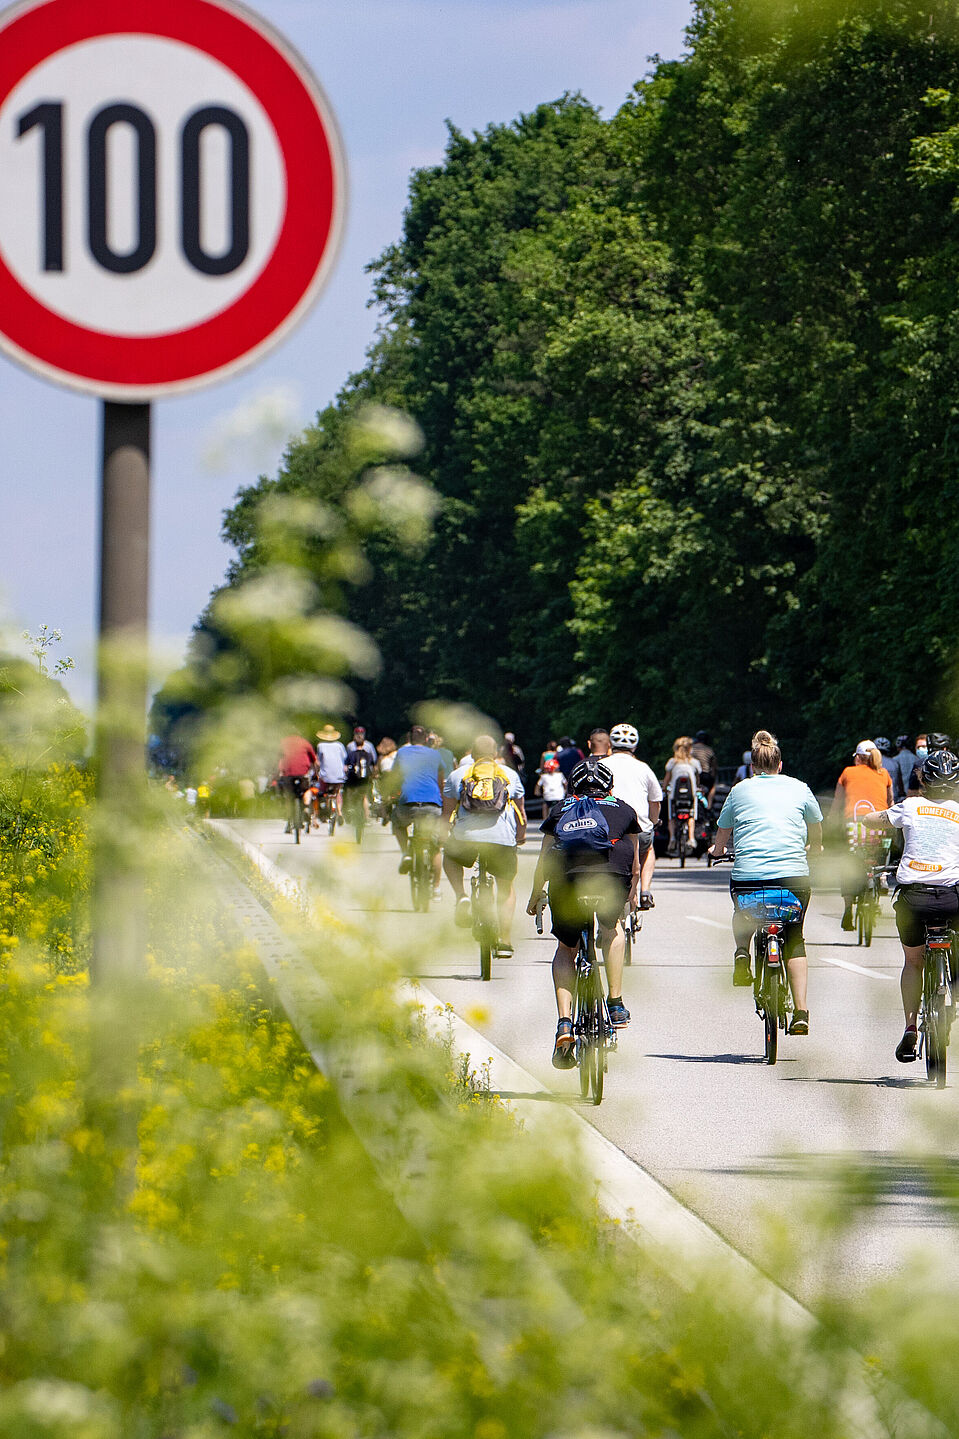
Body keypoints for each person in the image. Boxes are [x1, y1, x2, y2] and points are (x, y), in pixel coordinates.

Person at [526, 758, 640, 1068]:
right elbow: (635, 863)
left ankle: (564, 1024)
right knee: (613, 930)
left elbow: (545, 859)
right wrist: (629, 897)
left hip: (568, 881)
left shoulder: (561, 810)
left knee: (566, 948)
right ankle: (615, 1003)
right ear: (610, 787)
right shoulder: (625, 810)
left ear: (572, 787)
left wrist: (537, 894)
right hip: (611, 879)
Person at [708, 729, 823, 1032]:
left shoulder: (740, 790)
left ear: (753, 767)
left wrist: (718, 850)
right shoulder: (799, 788)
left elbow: (723, 832)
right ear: (780, 764)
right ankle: (801, 1013)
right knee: (795, 939)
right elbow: (815, 826)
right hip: (793, 879)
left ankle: (743, 952)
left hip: (749, 880)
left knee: (741, 912)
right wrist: (817, 848)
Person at [862, 749, 959, 1062]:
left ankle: (911, 1027)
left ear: (924, 779)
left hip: (914, 899)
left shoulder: (911, 806)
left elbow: (873, 820)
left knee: (913, 962)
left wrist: (867, 817)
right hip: (952, 899)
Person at [443, 735, 527, 954]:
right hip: (501, 840)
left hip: (465, 838)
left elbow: (446, 814)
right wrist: (520, 835)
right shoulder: (509, 774)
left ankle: (461, 896)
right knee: (506, 888)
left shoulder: (457, 775)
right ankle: (505, 942)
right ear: (496, 753)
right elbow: (521, 814)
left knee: (450, 856)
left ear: (472, 753)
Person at [832, 740, 893, 930]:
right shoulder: (884, 774)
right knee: (884, 846)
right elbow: (890, 802)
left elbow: (837, 803)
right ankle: (882, 875)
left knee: (848, 864)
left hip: (854, 827)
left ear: (858, 757)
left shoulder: (848, 772)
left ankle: (848, 908)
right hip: (879, 826)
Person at [606, 722, 663, 909]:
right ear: (635, 746)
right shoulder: (643, 768)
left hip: (609, 831)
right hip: (639, 830)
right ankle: (645, 891)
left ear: (610, 745)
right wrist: (653, 822)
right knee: (648, 848)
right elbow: (655, 800)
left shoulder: (601, 765)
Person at [391, 724, 446, 895]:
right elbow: (441, 781)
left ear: (410, 738)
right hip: (432, 804)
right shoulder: (435, 754)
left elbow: (395, 777)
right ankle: (436, 887)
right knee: (435, 847)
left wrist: (393, 794)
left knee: (398, 824)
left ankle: (406, 853)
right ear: (427, 739)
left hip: (409, 802)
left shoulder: (402, 752)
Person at [663, 737, 701, 855]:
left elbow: (667, 780)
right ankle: (691, 838)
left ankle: (672, 838)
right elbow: (697, 779)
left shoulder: (672, 762)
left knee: (672, 816)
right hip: (690, 795)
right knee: (691, 815)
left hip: (675, 795)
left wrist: (664, 788)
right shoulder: (694, 763)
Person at [278, 733, 317, 832]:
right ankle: (306, 807)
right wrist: (316, 774)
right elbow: (314, 760)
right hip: (302, 774)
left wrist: (280, 772)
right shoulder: (305, 742)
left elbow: (279, 757)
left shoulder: (283, 742)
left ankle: (288, 822)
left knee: (289, 797)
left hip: (288, 774)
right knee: (307, 790)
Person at [315, 724, 348, 820]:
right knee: (338, 792)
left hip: (326, 776)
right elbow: (344, 759)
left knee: (322, 791)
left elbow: (318, 762)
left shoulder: (320, 745)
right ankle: (340, 812)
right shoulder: (340, 745)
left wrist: (317, 772)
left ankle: (325, 809)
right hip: (339, 776)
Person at [691, 730, 718, 810]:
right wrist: (713, 777)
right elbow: (714, 767)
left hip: (693, 774)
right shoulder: (709, 750)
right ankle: (709, 806)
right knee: (713, 787)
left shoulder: (691, 749)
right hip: (705, 774)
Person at [874, 737, 903, 803]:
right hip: (893, 798)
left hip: (878, 798)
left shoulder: (873, 763)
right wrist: (902, 793)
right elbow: (900, 782)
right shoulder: (895, 763)